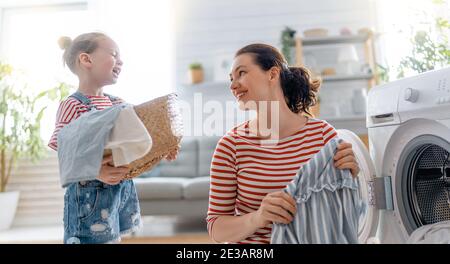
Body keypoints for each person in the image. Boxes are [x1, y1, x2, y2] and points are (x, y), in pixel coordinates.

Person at [206, 43, 360, 244]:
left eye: (241, 73)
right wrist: (259, 217)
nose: (233, 85)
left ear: (272, 74)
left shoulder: (323, 135)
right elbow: (216, 229)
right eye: (231, 79)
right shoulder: (231, 146)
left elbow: (342, 210)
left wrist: (353, 175)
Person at [49, 32, 177, 244]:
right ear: (86, 59)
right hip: (87, 200)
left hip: (118, 194)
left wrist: (162, 148)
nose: (121, 61)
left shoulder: (118, 104)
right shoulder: (73, 105)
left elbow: (137, 140)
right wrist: (97, 171)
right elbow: (65, 151)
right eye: (114, 54)